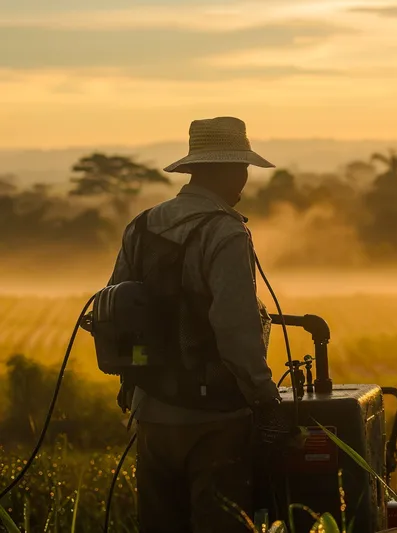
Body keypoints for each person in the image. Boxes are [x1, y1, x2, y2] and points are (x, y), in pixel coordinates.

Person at [107, 116, 286, 532]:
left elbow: (116, 308)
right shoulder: (225, 232)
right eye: (242, 169)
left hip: (152, 412)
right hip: (215, 419)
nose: (244, 179)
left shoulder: (143, 225)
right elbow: (236, 329)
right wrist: (265, 399)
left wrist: (132, 380)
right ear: (228, 171)